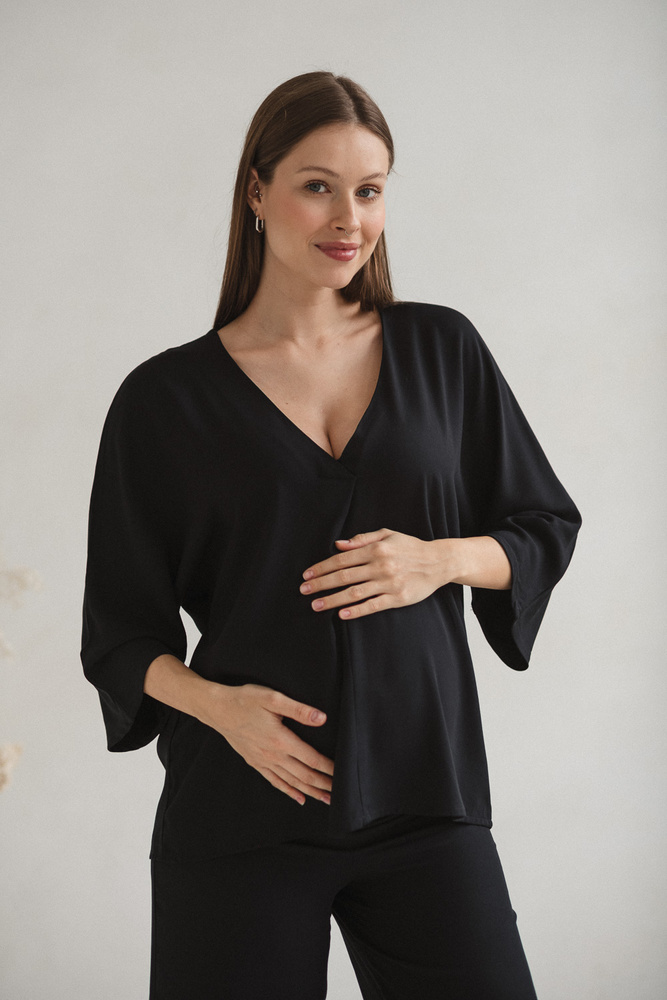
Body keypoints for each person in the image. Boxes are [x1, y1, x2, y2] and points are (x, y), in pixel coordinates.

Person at [81, 71, 581, 1000]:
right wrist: (223, 710)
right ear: (256, 190)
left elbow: (541, 525)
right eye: (317, 186)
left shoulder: (443, 349)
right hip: (241, 810)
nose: (348, 218)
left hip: (425, 796)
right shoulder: (162, 400)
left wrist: (437, 560)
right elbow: (118, 634)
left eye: (369, 190)